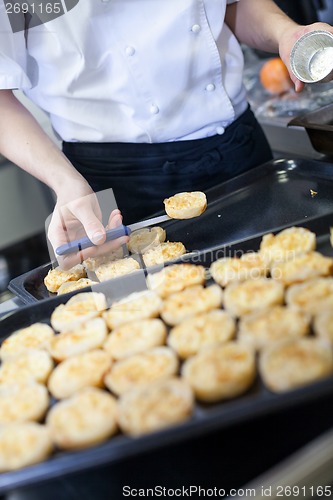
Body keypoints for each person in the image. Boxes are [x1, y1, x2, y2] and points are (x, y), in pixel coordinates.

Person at [0, 0, 332, 268]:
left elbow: (232, 5)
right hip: (105, 186)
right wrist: (65, 183)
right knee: (136, 325)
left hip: (238, 150)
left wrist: (285, 32)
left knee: (293, 283)